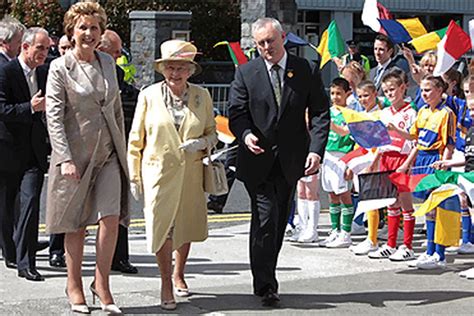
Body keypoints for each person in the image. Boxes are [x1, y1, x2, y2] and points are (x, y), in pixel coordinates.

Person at [228, 17, 330, 307]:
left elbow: (321, 113)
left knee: (278, 220)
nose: (265, 48)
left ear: (283, 37)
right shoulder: (246, 73)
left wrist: (316, 150)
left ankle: (266, 273)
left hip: (291, 161)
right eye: (260, 43)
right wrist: (245, 134)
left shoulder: (305, 69)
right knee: (265, 219)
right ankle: (265, 286)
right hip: (257, 160)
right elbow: (236, 112)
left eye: (270, 41)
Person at [45, 2, 128, 314]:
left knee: (111, 219)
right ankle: (74, 284)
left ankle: (102, 282)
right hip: (75, 158)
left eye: (94, 27)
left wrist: (124, 153)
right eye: (83, 27)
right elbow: (53, 117)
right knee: (75, 224)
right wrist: (64, 157)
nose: (89, 33)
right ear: (72, 30)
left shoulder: (107, 62)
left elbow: (116, 110)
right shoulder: (59, 67)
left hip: (107, 154)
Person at [127, 39, 217, 311]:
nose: (175, 73)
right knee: (162, 228)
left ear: (190, 70)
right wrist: (134, 175)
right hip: (158, 173)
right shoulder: (148, 95)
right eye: (170, 68)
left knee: (185, 225)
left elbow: (212, 132)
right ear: (162, 69)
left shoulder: (202, 96)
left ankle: (179, 272)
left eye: (181, 68)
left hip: (190, 172)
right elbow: (135, 139)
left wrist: (202, 143)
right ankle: (166, 282)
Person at [389, 75, 456, 269]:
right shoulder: (422, 112)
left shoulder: (446, 113)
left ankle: (439, 254)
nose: (424, 94)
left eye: (428, 90)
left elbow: (449, 143)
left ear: (439, 91)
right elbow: (415, 139)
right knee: (427, 207)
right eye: (422, 90)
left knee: (438, 206)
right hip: (422, 159)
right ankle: (429, 251)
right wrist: (396, 132)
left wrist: (445, 163)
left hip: (437, 159)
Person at [0, 27, 50, 281]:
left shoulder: (45, 72)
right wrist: (28, 108)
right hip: (7, 152)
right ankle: (10, 253)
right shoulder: (5, 72)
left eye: (47, 48)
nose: (44, 53)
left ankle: (26, 263)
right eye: (40, 48)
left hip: (34, 153)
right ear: (25, 47)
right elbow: (2, 109)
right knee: (7, 209)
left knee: (30, 205)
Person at [97, 29, 138, 274]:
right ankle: (59, 252)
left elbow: (127, 103)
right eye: (115, 52)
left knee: (117, 208)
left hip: (115, 149)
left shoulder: (119, 74)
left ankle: (118, 257)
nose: (119, 56)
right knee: (75, 210)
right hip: (87, 148)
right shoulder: (71, 69)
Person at [366, 72, 417, 261]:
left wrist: (406, 164)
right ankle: (390, 243)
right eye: (386, 91)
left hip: (402, 159)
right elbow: (380, 141)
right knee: (390, 203)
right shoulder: (385, 112)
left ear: (403, 88)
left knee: (405, 203)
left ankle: (408, 245)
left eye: (393, 89)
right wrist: (374, 162)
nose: (390, 94)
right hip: (386, 158)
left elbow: (415, 140)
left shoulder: (411, 112)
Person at [319, 78, 355, 248]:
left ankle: (346, 234)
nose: (335, 97)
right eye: (332, 93)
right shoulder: (329, 111)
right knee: (332, 195)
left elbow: (344, 133)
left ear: (348, 93)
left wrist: (350, 165)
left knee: (344, 195)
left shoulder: (351, 114)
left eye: (339, 93)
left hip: (343, 156)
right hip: (328, 155)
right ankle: (335, 230)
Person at [48, 34, 71, 269]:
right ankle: (56, 251)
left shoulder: (103, 66)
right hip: (64, 147)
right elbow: (53, 116)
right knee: (62, 206)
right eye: (61, 47)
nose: (65, 50)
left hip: (97, 147)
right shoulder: (55, 69)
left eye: (68, 47)